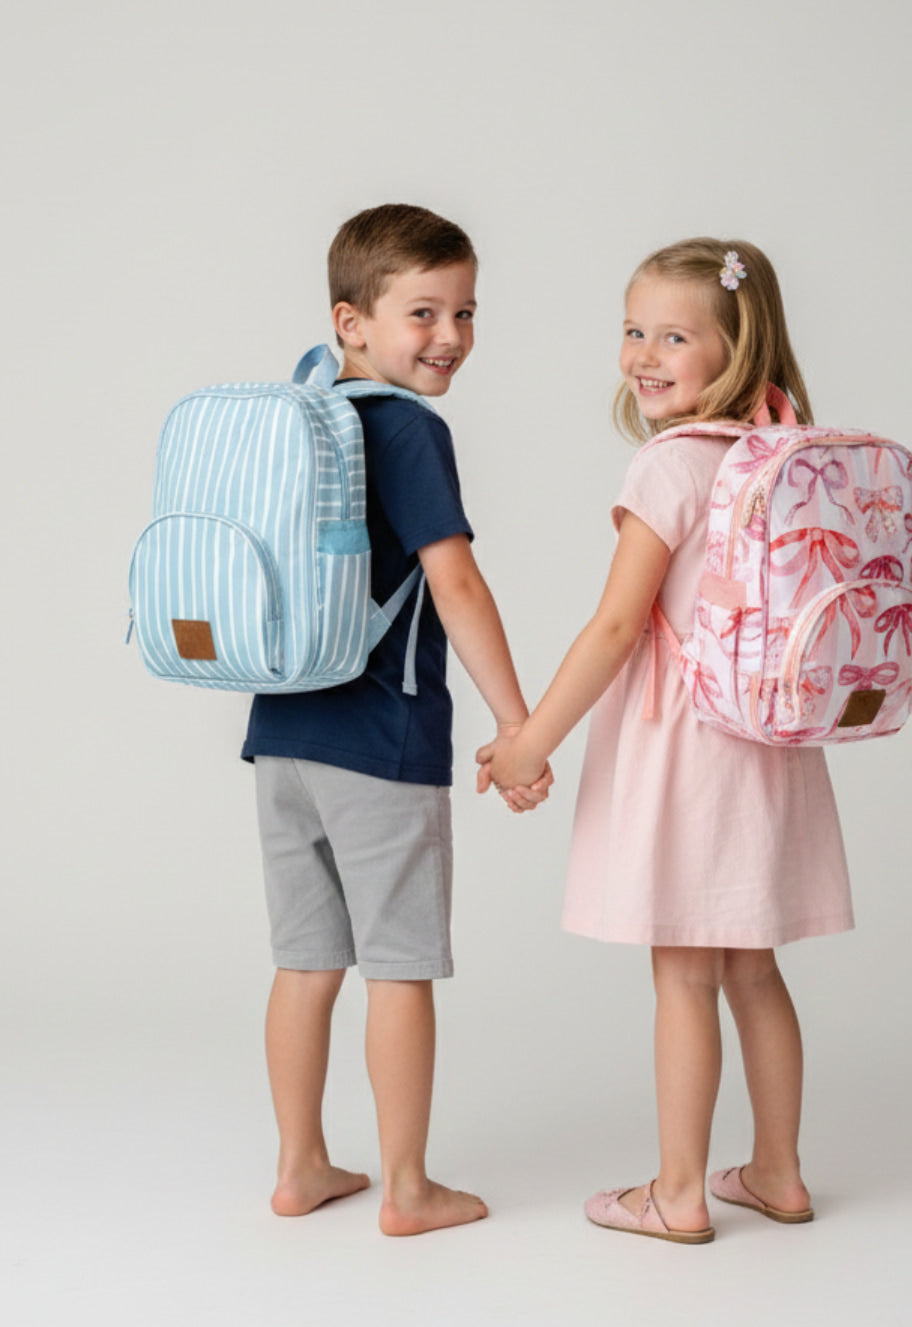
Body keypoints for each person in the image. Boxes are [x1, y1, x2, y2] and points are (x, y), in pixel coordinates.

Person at [479, 237, 852, 1244]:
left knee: (683, 973)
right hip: (765, 742)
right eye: (632, 329)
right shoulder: (773, 456)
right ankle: (776, 1170)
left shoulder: (671, 466)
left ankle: (678, 1191)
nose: (644, 353)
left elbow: (614, 627)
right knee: (753, 967)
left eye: (674, 335)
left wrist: (527, 745)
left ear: (736, 346)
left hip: (690, 749)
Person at [242, 204, 550, 1236]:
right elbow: (455, 583)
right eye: (423, 311)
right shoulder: (409, 428)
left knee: (303, 962)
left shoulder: (304, 411)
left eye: (465, 311)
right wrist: (521, 726)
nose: (451, 335)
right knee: (400, 966)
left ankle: (300, 1169)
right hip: (383, 739)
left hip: (281, 732)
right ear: (351, 319)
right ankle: (409, 1188)